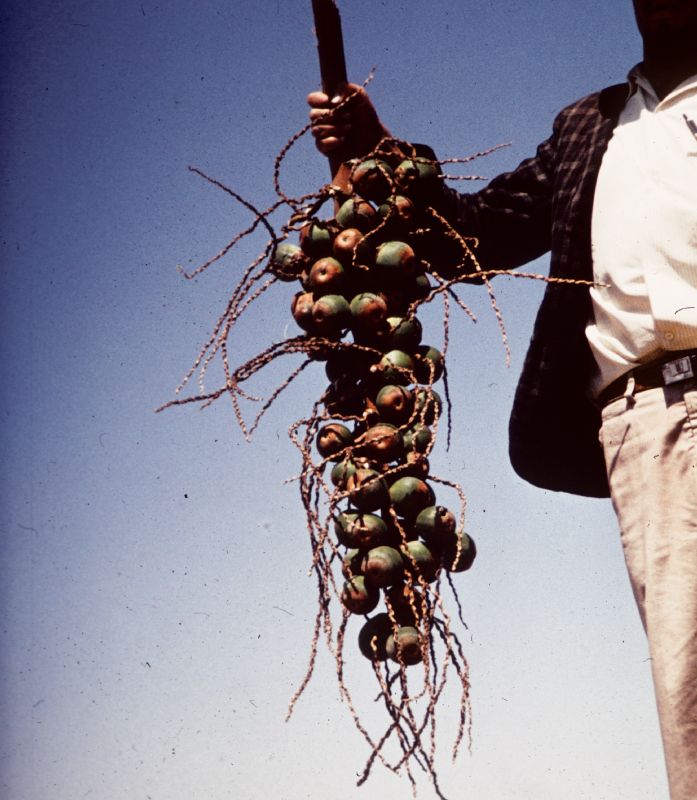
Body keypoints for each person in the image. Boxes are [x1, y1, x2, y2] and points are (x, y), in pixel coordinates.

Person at [308, 1, 697, 797]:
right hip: (648, 422)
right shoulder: (589, 125)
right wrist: (379, 152)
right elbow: (470, 238)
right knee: (692, 681)